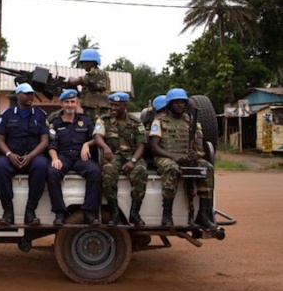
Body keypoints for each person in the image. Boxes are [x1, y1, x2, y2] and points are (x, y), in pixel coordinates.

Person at [148, 88, 216, 229]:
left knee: (207, 168)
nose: (179, 105)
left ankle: (203, 214)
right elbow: (154, 146)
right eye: (176, 102)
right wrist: (173, 156)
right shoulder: (159, 120)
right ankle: (167, 216)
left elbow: (199, 143)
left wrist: (195, 154)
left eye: (182, 102)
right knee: (172, 168)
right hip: (165, 156)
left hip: (186, 156)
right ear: (169, 104)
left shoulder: (192, 120)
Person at [0, 83, 49, 226]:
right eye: (27, 93)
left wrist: (30, 156)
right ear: (18, 95)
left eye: (32, 93)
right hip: (11, 156)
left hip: (33, 156)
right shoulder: (7, 114)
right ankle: (8, 212)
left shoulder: (40, 115)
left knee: (42, 166)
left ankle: (30, 211)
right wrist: (8, 154)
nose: (31, 96)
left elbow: (44, 140)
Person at [46, 89, 101, 226]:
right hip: (63, 156)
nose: (70, 105)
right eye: (66, 102)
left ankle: (89, 211)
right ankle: (60, 212)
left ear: (77, 102)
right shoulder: (55, 123)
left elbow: (96, 138)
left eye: (72, 101)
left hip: (80, 157)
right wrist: (55, 159)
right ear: (61, 104)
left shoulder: (85, 121)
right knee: (52, 172)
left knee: (95, 171)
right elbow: (51, 144)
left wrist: (87, 144)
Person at [93, 92, 148, 227]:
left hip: (132, 155)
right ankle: (114, 212)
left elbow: (141, 145)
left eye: (117, 105)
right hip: (113, 155)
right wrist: (105, 147)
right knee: (108, 173)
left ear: (125, 105)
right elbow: (97, 136)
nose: (113, 108)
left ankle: (135, 213)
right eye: (111, 105)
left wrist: (133, 161)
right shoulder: (103, 119)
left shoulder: (135, 122)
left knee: (141, 172)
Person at [69, 49, 111, 121]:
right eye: (83, 62)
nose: (84, 64)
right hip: (95, 109)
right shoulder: (96, 77)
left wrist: (70, 79)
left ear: (94, 63)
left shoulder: (95, 73)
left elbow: (76, 81)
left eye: (87, 62)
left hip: (96, 110)